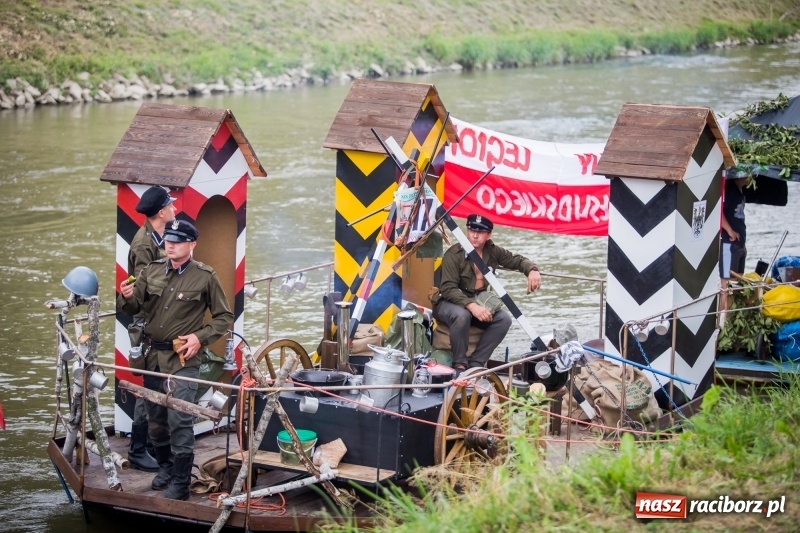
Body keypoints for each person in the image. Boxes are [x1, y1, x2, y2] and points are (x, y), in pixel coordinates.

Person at [117, 219, 233, 500]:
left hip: (182, 358)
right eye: (168, 239)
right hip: (153, 357)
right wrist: (125, 296)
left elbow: (224, 317)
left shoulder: (205, 276)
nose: (170, 244)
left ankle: (181, 483)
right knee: (156, 419)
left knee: (179, 418)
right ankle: (167, 467)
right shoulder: (151, 270)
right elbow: (135, 308)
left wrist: (199, 338)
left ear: (191, 244)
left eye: (178, 240)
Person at [433, 214, 541, 374]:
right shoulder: (454, 254)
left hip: (476, 302)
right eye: (471, 230)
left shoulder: (492, 252)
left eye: (480, 232)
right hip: (447, 303)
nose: (474, 235)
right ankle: (460, 365)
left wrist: (532, 270)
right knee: (462, 315)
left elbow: (516, 260)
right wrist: (472, 306)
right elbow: (448, 288)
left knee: (503, 320)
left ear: (488, 234)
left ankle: (477, 363)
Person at [125, 186, 177, 472]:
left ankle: (148, 446)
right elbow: (147, 288)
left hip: (161, 321)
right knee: (150, 385)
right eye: (171, 206)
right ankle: (137, 448)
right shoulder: (144, 245)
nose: (175, 209)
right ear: (161, 212)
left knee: (155, 384)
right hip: (149, 325)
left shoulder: (160, 236)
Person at [719, 170, 748, 320]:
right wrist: (729, 231)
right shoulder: (729, 189)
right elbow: (719, 211)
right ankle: (723, 319)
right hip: (728, 243)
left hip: (740, 243)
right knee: (727, 282)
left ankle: (734, 317)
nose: (752, 178)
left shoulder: (740, 191)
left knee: (737, 282)